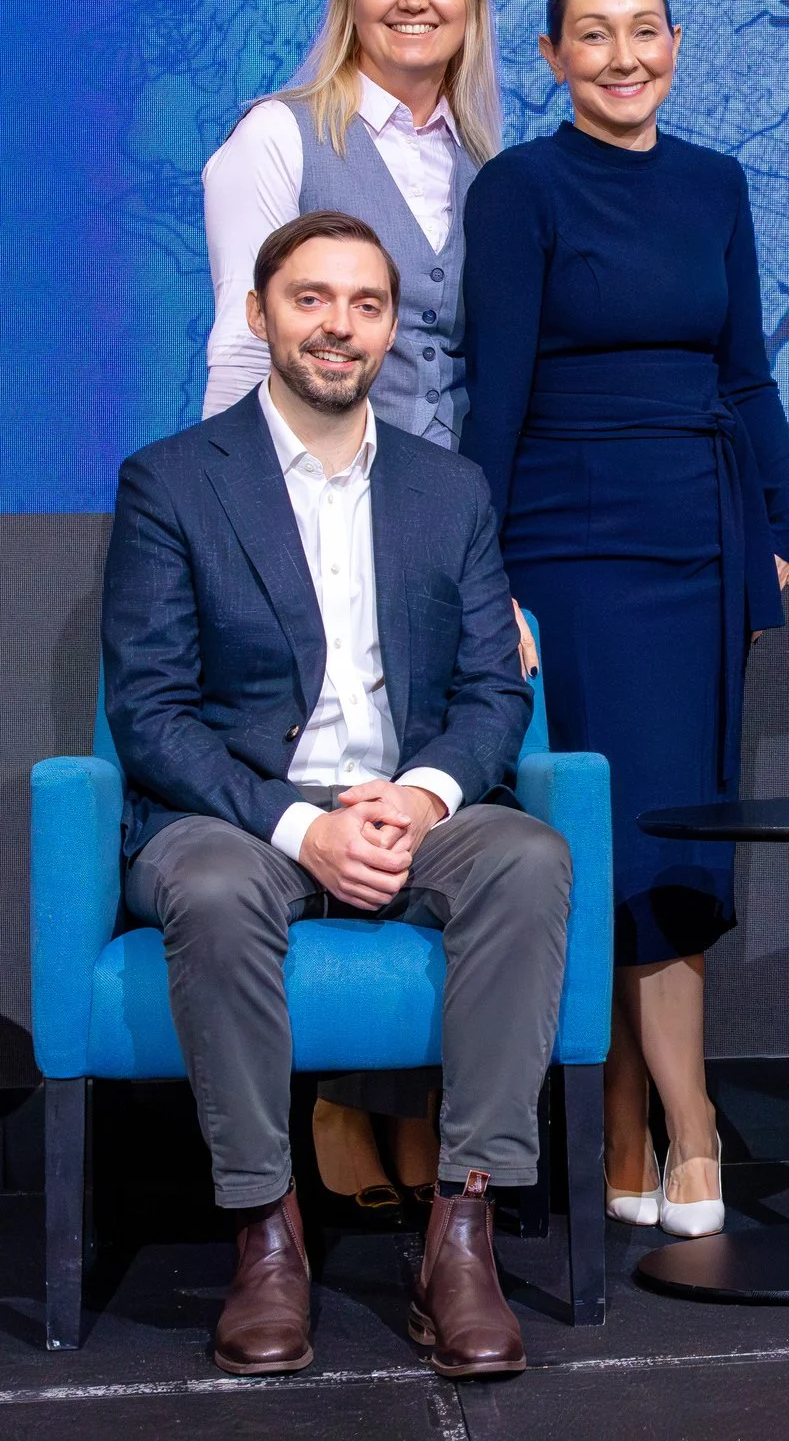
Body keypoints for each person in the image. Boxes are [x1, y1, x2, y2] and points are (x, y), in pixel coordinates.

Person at [103, 210, 571, 1379]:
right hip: (242, 813)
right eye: (312, 299)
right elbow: (149, 710)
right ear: (260, 314)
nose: (339, 326)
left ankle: (459, 1233)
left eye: (367, 305)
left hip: (402, 802)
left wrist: (419, 799)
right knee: (208, 888)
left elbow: (488, 692)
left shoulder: (447, 489)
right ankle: (268, 1235)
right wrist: (304, 827)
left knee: (526, 856)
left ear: (390, 330)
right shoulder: (171, 481)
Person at [461, 0, 789, 1240]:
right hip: (566, 539)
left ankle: (645, 1122)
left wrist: (781, 523)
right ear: (551, 57)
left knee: (681, 843)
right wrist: (481, 568)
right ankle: (681, 1121)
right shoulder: (519, 189)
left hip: (703, 533)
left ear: (677, 43)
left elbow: (750, 369)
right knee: (608, 842)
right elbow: (492, 393)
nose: (623, 57)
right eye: (592, 36)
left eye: (645, 31)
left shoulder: (717, 183)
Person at [200, 0, 505, 1215]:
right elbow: (233, 348)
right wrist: (239, 547)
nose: (415, 0)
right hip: (305, 514)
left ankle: (402, 1099)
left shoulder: (492, 168)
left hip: (440, 535)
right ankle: (331, 1099)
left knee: (420, 790)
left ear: (471, 2)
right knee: (324, 765)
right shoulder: (278, 138)